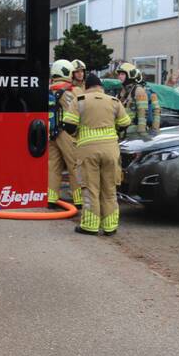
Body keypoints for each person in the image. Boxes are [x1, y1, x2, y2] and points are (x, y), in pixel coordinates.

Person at [62, 74, 131, 235]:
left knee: (90, 188)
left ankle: (90, 226)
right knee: (110, 189)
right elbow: (125, 123)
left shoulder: (79, 101)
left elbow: (69, 125)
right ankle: (110, 226)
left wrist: (77, 134)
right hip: (111, 151)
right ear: (101, 87)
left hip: (88, 150)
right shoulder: (114, 101)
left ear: (87, 87)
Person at [48, 59, 82, 208]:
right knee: (74, 165)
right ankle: (79, 200)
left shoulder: (48, 89)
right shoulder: (73, 91)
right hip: (68, 133)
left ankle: (51, 199)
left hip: (51, 133)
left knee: (53, 166)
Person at [116, 62, 161, 136]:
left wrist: (142, 132)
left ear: (130, 75)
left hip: (134, 132)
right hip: (122, 131)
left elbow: (142, 112)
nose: (119, 77)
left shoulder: (138, 90)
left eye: (122, 74)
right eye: (119, 74)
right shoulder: (122, 91)